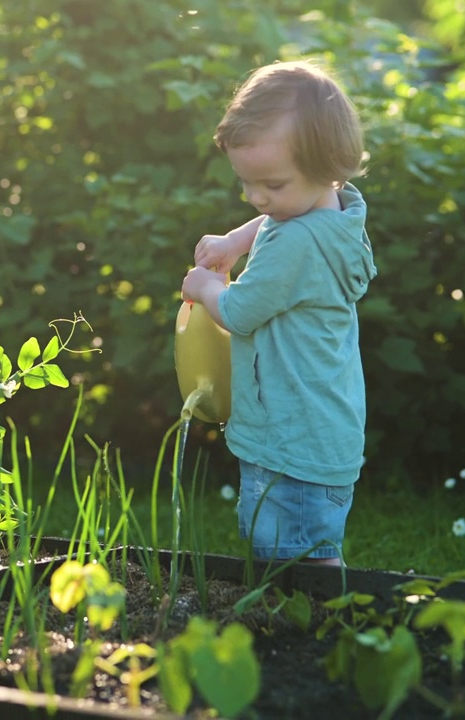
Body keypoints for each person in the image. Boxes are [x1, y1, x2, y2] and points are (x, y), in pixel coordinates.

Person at [180, 60, 376, 566]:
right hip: (317, 431)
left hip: (291, 441)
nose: (257, 197)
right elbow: (277, 218)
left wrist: (205, 287)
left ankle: (312, 637)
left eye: (271, 184)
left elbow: (241, 313)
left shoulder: (297, 245)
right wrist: (235, 241)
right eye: (247, 183)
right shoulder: (332, 212)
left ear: (327, 164)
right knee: (301, 551)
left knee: (292, 566)